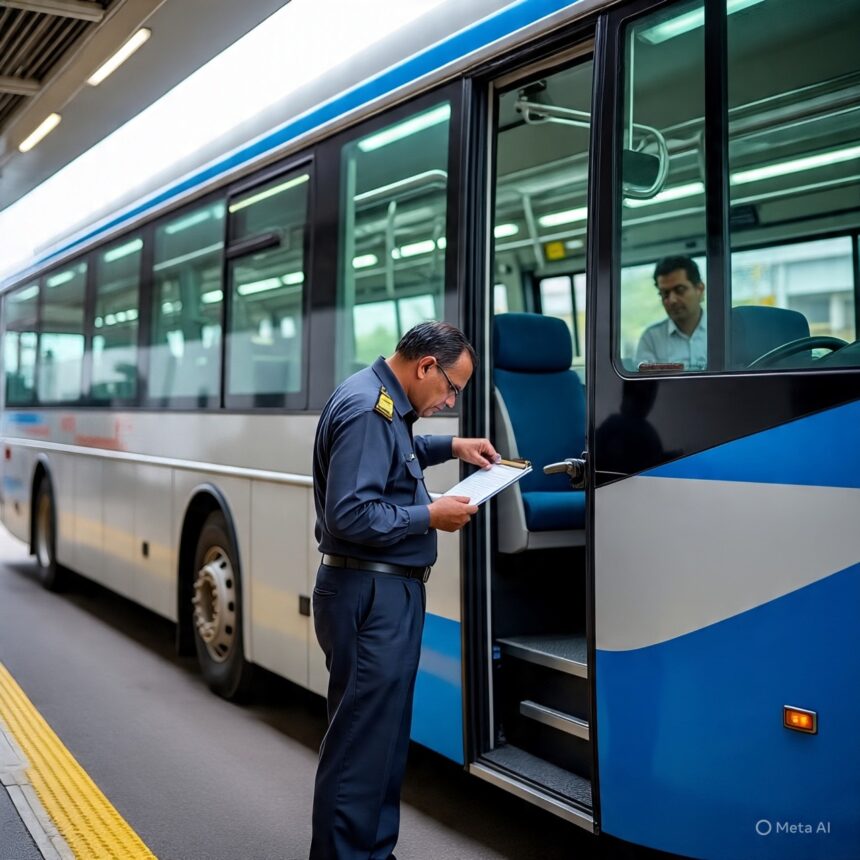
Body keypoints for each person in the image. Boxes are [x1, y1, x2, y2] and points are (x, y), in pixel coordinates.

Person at [309, 321, 497, 860]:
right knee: (360, 748)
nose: (449, 399)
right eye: (451, 388)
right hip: (372, 594)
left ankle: (372, 852)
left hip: (381, 592)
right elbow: (349, 514)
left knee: (382, 745)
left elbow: (396, 453)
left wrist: (452, 445)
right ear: (425, 367)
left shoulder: (380, 398)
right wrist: (430, 516)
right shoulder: (371, 409)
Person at [635, 255, 707, 371]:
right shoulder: (651, 339)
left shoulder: (722, 331)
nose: (672, 300)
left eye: (680, 290)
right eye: (665, 294)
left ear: (700, 289)